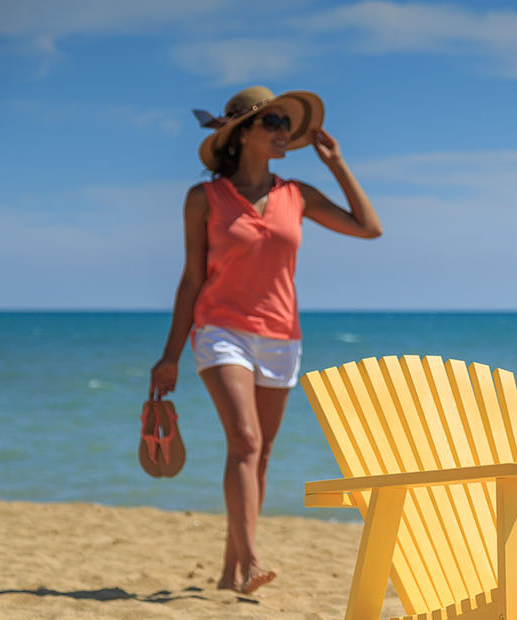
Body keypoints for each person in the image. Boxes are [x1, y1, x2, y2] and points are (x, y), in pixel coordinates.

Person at [149, 86, 381, 594]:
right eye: (273, 122)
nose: (284, 132)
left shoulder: (296, 195)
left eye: (285, 123)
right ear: (242, 133)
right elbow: (191, 280)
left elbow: (369, 228)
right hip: (220, 332)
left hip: (281, 337)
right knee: (245, 441)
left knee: (261, 453)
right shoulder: (203, 199)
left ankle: (231, 573)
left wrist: (337, 164)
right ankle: (252, 560)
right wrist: (169, 356)